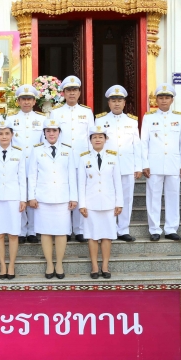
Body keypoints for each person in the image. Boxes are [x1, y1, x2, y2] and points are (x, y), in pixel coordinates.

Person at [28, 119, 78, 279]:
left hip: (62, 197)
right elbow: (32, 175)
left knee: (62, 232)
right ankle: (49, 264)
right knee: (45, 232)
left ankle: (59, 263)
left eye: (54, 130)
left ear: (59, 133)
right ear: (44, 133)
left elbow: (72, 175)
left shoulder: (68, 150)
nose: (51, 133)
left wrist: (73, 197)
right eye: (48, 131)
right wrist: (31, 196)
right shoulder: (36, 150)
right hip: (43, 197)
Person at [95, 85, 142, 242]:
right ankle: (108, 229)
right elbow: (97, 144)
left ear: (124, 103)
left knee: (126, 199)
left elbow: (137, 145)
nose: (116, 103)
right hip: (108, 167)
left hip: (127, 165)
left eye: (119, 100)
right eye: (113, 100)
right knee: (108, 197)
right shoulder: (100, 120)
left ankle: (123, 229)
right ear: (108, 103)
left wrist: (138, 166)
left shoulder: (132, 121)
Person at [50, 75, 94, 242]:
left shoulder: (87, 112)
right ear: (63, 93)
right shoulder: (56, 112)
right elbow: (52, 136)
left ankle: (80, 229)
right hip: (63, 160)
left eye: (75, 90)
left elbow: (91, 136)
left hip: (82, 159)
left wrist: (90, 159)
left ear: (79, 92)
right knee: (64, 195)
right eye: (68, 90)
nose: (72, 93)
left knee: (81, 194)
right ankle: (65, 229)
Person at [141, 83, 181, 242]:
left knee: (173, 197)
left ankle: (171, 229)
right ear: (156, 100)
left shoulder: (180, 118)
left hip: (174, 163)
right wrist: (144, 163)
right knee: (153, 197)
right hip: (154, 164)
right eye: (161, 97)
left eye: (167, 97)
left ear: (172, 100)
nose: (164, 100)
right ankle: (154, 229)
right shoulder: (149, 117)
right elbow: (143, 143)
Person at [78, 125, 123, 279]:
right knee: (92, 236)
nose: (97, 139)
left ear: (105, 139)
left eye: (100, 137)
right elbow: (81, 183)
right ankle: (94, 267)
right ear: (90, 140)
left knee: (107, 236)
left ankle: (105, 266)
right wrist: (82, 204)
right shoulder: (84, 157)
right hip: (90, 203)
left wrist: (119, 203)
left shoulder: (113, 157)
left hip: (109, 203)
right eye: (94, 137)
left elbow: (118, 182)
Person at [0, 120, 27, 280]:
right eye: (0, 133)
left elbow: (22, 178)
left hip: (13, 198)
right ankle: (3, 265)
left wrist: (23, 199)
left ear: (12, 135)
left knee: (14, 233)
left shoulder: (19, 153)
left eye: (7, 133)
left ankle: (11, 265)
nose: (4, 136)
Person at [6, 84, 44, 243]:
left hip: (36, 164)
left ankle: (32, 230)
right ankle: (20, 230)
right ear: (18, 101)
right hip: (17, 165)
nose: (26, 102)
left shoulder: (42, 119)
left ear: (34, 101)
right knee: (20, 197)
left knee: (34, 197)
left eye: (29, 99)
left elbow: (44, 142)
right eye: (23, 99)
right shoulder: (10, 119)